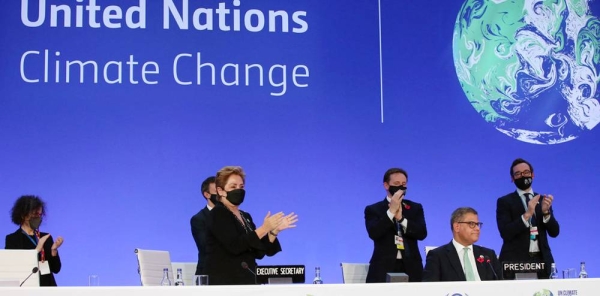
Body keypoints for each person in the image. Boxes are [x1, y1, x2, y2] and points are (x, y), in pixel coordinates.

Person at [204, 166, 298, 285]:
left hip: (248, 282)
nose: (239, 190)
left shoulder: (245, 216)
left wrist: (273, 231)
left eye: (241, 187)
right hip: (225, 284)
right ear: (220, 191)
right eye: (233, 187)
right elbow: (235, 246)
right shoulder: (218, 213)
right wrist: (264, 228)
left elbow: (258, 252)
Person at [496, 158, 560, 279]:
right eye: (518, 174)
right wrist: (527, 214)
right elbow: (505, 233)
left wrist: (546, 212)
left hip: (542, 262)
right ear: (512, 178)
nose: (522, 176)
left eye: (526, 172)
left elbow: (555, 232)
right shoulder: (504, 201)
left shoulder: (542, 200)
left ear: (532, 175)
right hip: (515, 264)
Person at [364, 168, 427, 282]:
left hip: (412, 267)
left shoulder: (415, 208)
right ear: (386, 185)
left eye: (403, 184)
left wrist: (401, 219)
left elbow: (422, 233)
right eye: (396, 184)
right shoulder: (373, 209)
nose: (400, 187)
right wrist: (391, 212)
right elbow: (374, 233)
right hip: (382, 268)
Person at [423, 207, 502, 281]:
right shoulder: (438, 256)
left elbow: (502, 284)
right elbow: (429, 288)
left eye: (478, 224)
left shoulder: (488, 255)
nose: (477, 228)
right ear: (457, 227)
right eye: (471, 224)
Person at [4, 195, 64, 286]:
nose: (38, 218)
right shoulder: (12, 239)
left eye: (40, 215)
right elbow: (14, 268)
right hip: (27, 288)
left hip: (48, 288)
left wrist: (54, 250)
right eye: (35, 214)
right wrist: (36, 250)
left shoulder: (46, 237)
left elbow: (56, 269)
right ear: (23, 215)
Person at [190, 176, 218, 276]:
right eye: (216, 190)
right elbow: (206, 246)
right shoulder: (199, 219)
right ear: (207, 194)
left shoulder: (235, 216)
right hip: (208, 274)